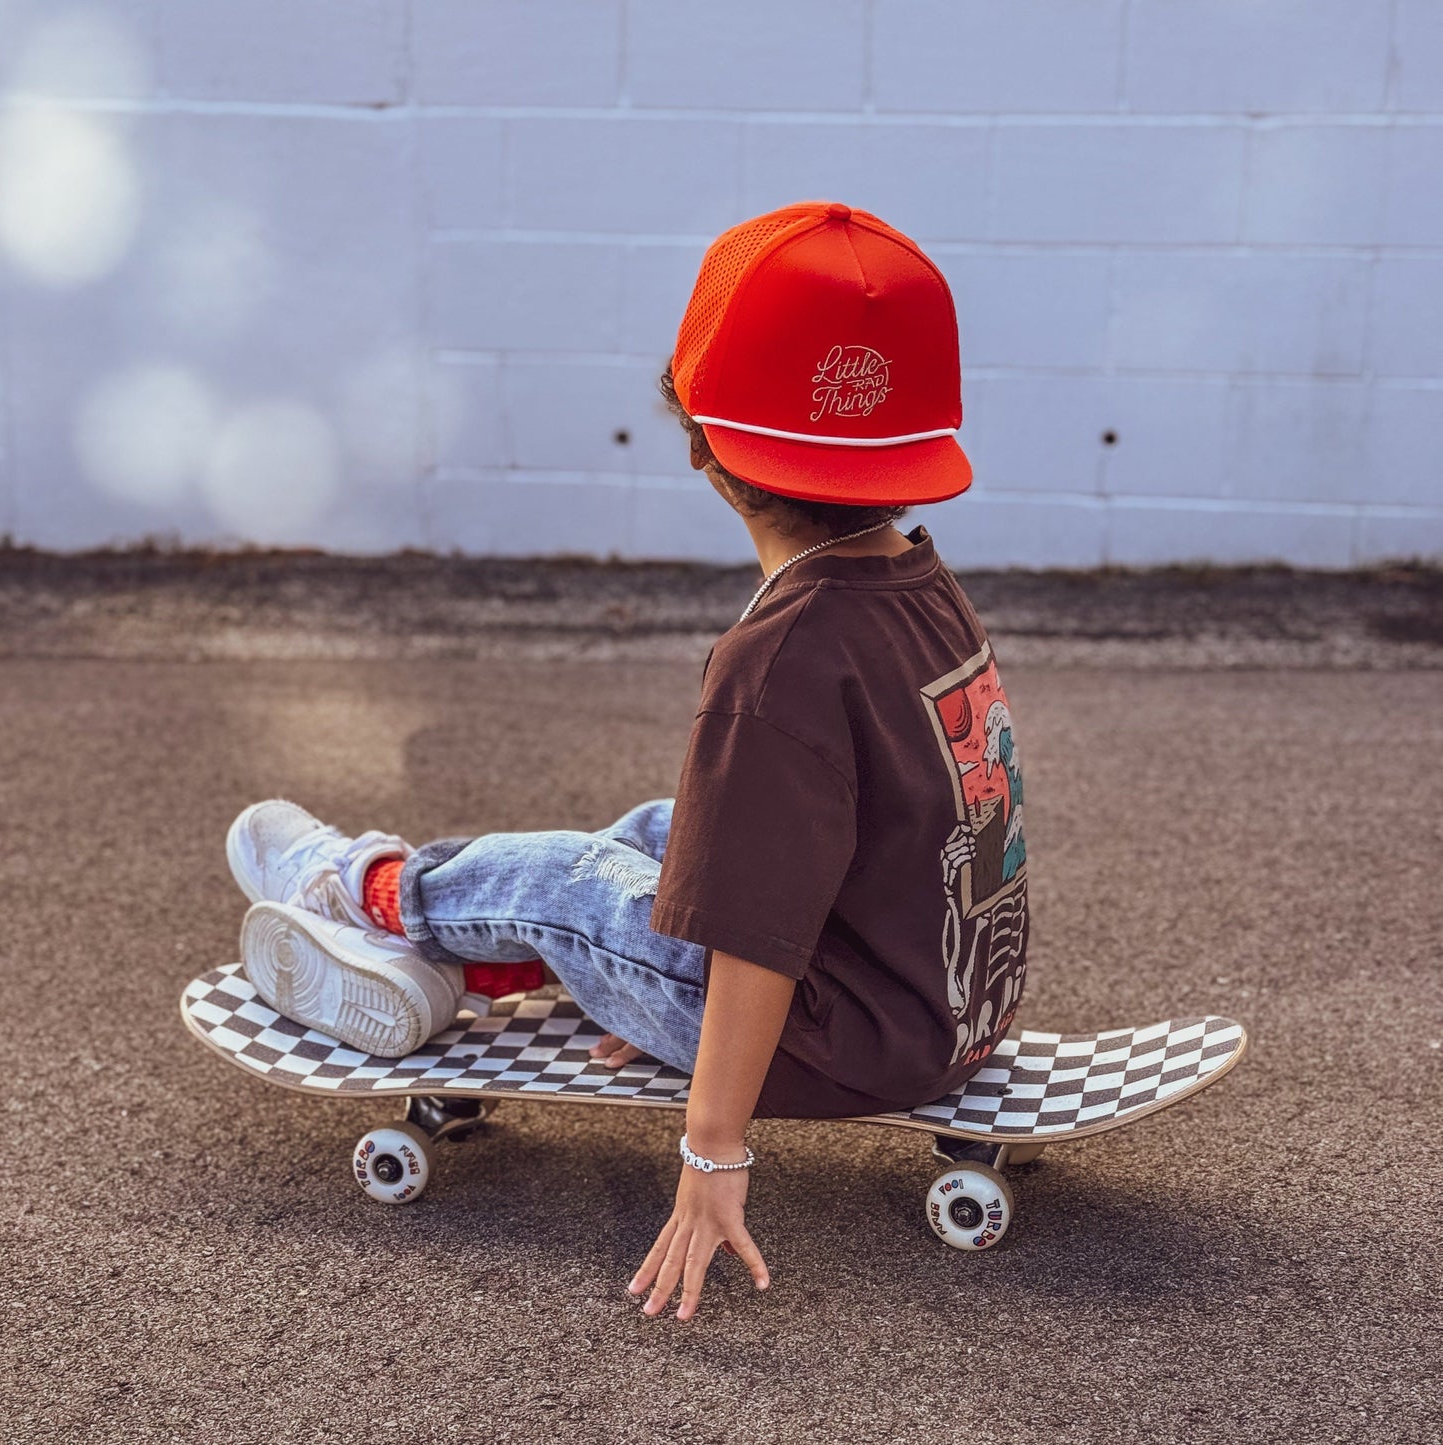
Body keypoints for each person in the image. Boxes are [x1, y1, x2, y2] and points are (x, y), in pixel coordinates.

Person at [225, 201, 1030, 1320]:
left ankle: (367, 892)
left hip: (835, 1036)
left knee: (570, 878)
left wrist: (711, 1147)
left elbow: (754, 933)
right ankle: (486, 961)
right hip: (941, 997)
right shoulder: (924, 588)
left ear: (704, 444)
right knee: (665, 828)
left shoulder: (780, 657)